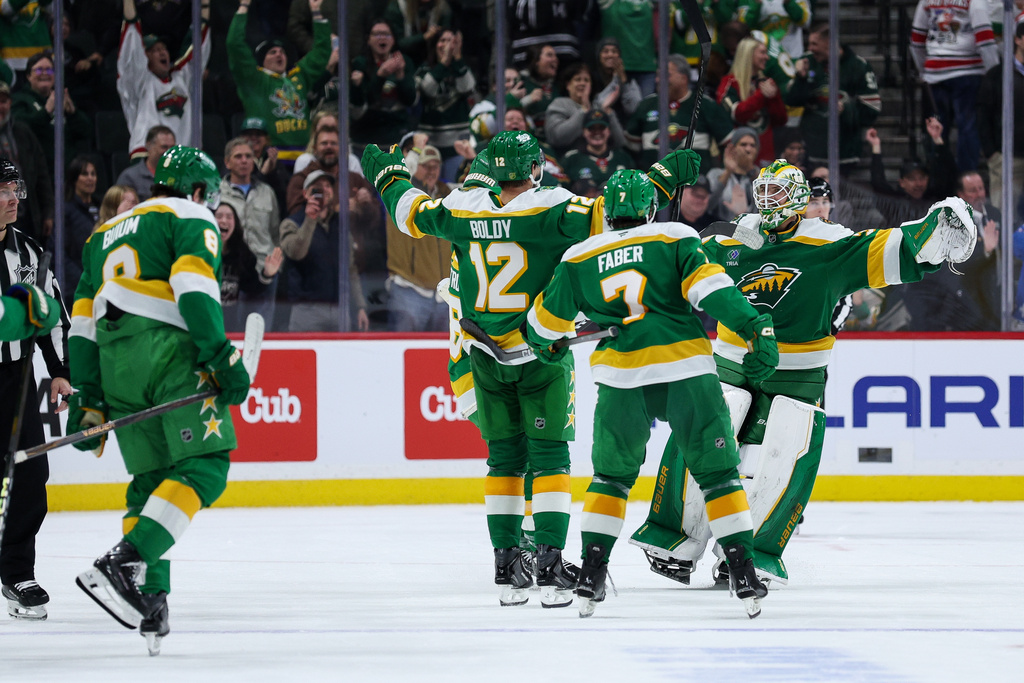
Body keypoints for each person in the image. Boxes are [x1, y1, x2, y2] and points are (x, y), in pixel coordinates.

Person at [362, 129, 701, 608]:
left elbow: (410, 212)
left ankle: (505, 570)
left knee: (503, 462)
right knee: (550, 462)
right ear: (536, 169)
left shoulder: (463, 206)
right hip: (540, 355)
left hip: (481, 356)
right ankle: (547, 565)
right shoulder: (552, 208)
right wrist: (668, 173)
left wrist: (389, 174)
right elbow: (623, 206)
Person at [629, 160, 978, 589]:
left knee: (783, 456)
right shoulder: (731, 235)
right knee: (698, 440)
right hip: (730, 360)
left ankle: (749, 553)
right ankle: (673, 539)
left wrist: (931, 233)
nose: (766, 200)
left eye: (777, 192)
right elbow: (676, 263)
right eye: (763, 191)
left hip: (797, 373)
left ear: (797, 198)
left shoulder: (827, 243)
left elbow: (890, 247)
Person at [524, 169, 778, 619]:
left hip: (621, 379)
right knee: (719, 475)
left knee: (610, 479)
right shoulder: (675, 235)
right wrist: (754, 326)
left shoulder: (578, 257)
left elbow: (542, 329)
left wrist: (547, 344)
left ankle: (591, 576)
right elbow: (711, 291)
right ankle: (742, 572)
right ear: (648, 208)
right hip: (686, 372)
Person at [68, 145, 251, 656]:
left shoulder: (101, 234)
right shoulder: (191, 214)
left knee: (149, 481)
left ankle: (148, 597)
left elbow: (81, 323)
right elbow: (192, 287)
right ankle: (127, 561)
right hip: (169, 353)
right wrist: (220, 357)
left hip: (115, 364)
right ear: (197, 191)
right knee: (206, 464)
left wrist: (89, 395)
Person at [0, 158, 70, 623]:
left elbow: (49, 317)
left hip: (16, 380)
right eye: (2, 190)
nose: (12, 198)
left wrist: (60, 370)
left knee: (30, 473)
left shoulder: (29, 253)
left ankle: (16, 571)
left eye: (14, 189)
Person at [228, 0, 332, 163]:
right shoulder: (254, 79)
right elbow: (234, 45)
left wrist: (316, 13)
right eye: (272, 52)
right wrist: (243, 7)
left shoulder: (298, 76)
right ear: (262, 60)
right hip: (271, 158)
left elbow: (322, 51)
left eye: (282, 52)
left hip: (306, 158)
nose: (279, 55)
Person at [910, 0, 999, 172]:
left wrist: (924, 70)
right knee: (968, 130)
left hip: (934, 75)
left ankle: (938, 180)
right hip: (968, 74)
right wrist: (994, 74)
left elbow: (916, 39)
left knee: (935, 131)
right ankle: (966, 181)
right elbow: (985, 40)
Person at [117, 0, 210, 160]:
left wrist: (205, 6)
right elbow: (131, 48)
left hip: (183, 160)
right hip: (148, 157)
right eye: (154, 50)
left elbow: (198, 48)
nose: (162, 53)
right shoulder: (139, 82)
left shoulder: (182, 78)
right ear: (145, 58)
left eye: (163, 49)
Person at [279, 170, 370, 332]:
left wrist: (360, 307)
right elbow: (295, 252)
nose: (324, 190)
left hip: (340, 309)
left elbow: (350, 269)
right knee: (303, 357)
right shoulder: (291, 223)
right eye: (317, 187)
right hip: (307, 310)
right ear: (306, 194)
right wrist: (310, 220)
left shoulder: (341, 225)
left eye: (328, 186)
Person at [784, 22, 881, 169]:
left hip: (845, 155)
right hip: (812, 154)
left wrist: (846, 110)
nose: (810, 48)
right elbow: (792, 101)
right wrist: (801, 79)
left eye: (814, 44)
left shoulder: (858, 66)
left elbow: (872, 111)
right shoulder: (807, 61)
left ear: (829, 43)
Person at [625, 54, 734, 172]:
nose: (657, 80)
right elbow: (630, 147)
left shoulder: (704, 105)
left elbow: (729, 144)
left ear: (684, 78)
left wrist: (720, 175)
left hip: (696, 186)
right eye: (657, 76)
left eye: (666, 75)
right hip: (653, 185)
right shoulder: (646, 105)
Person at [386, 145, 451, 332]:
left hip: (444, 294)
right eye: (425, 166)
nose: (431, 171)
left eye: (435, 166)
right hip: (409, 289)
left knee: (443, 356)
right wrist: (414, 149)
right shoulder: (401, 195)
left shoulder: (448, 195)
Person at [219, 137, 282, 327]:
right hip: (230, 272)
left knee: (261, 331)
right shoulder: (216, 192)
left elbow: (275, 232)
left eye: (248, 156)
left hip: (264, 270)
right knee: (231, 329)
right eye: (238, 156)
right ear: (227, 162)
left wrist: (274, 266)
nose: (244, 160)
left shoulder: (267, 192)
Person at [10, 50, 92, 179]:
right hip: (35, 174)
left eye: (49, 70)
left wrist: (73, 113)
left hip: (66, 176)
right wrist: (46, 111)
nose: (44, 74)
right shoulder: (20, 100)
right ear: (28, 76)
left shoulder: (62, 99)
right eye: (38, 70)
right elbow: (20, 129)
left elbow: (86, 132)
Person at [867, 118, 956, 226]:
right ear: (902, 183)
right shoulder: (894, 204)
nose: (918, 183)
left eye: (922, 178)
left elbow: (950, 173)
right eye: (912, 179)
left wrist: (937, 139)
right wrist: (876, 147)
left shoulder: (936, 200)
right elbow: (878, 183)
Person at [976, 20, 1024, 216]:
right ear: (1018, 40)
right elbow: (982, 114)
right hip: (1006, 159)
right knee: (1004, 216)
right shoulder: (997, 76)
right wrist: (992, 153)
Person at [215, 199, 282, 333]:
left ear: (235, 223)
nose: (224, 221)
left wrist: (267, 274)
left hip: (232, 329)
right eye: (219, 216)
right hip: (206, 325)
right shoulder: (200, 252)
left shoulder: (242, 254)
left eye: (229, 217)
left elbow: (253, 289)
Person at [717, 37, 788, 165]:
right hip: (736, 161)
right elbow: (737, 114)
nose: (767, 57)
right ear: (748, 54)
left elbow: (780, 120)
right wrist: (762, 95)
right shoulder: (729, 83)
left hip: (766, 158)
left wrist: (774, 97)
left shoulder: (767, 83)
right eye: (762, 53)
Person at [349, 20, 418, 148]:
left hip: (396, 138)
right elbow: (362, 104)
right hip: (366, 139)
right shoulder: (360, 63)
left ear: (393, 40)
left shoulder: (404, 62)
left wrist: (400, 75)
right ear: (368, 40)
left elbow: (411, 100)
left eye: (386, 34)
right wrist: (380, 76)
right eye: (377, 34)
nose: (382, 38)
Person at [0, 83, 53, 243]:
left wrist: (48, 213)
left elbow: (42, 174)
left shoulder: (23, 132)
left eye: (3, 101)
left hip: (26, 216)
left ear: (10, 103)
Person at [414, 29, 476, 161]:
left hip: (457, 145)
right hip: (429, 144)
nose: (447, 46)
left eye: (451, 41)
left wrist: (458, 59)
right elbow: (428, 89)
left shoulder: (461, 68)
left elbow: (467, 88)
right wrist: (444, 63)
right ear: (435, 44)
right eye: (443, 41)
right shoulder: (424, 69)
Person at [544, 62, 626, 155]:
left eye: (586, 80)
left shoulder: (598, 107)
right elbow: (556, 138)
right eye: (578, 79)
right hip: (568, 160)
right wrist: (583, 110)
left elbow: (620, 142)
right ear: (568, 85)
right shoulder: (559, 104)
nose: (582, 83)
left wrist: (607, 111)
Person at [560, 109, 633, 190]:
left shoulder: (622, 157)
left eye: (601, 128)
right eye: (592, 128)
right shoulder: (571, 159)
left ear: (609, 131)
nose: (597, 132)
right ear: (584, 131)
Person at [63, 156, 102, 292]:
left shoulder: (101, 207)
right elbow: (60, 254)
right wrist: (83, 279)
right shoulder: (65, 211)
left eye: (93, 174)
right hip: (77, 287)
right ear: (74, 179)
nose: (90, 178)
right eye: (84, 174)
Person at [708, 128, 760, 221]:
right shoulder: (716, 174)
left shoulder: (761, 176)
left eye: (753, 145)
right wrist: (728, 172)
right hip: (721, 230)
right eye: (743, 144)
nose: (748, 149)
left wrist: (751, 171)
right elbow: (708, 205)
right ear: (733, 148)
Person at [114, 125, 176, 202]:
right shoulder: (129, 177)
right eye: (164, 147)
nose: (169, 152)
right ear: (149, 145)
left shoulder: (180, 175)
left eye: (172, 147)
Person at [517, 44, 559, 142]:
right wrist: (528, 100)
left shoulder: (558, 85)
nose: (555, 59)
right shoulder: (521, 82)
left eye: (555, 56)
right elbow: (508, 110)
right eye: (549, 55)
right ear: (536, 61)